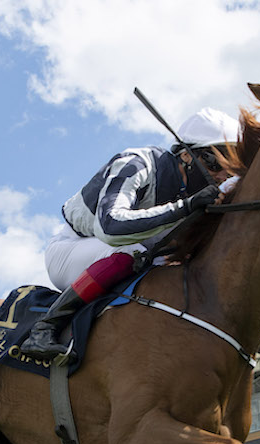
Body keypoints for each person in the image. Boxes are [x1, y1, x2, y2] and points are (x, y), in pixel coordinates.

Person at [19, 107, 242, 359]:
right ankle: (45, 328)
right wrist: (186, 207)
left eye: (230, 169)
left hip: (132, 253)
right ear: (187, 156)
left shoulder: (194, 190)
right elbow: (111, 227)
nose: (222, 176)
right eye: (215, 164)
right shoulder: (137, 163)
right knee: (132, 252)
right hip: (73, 249)